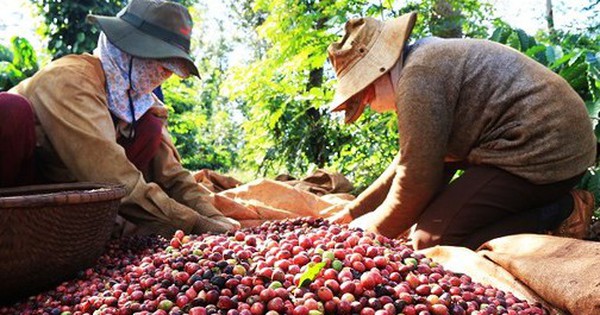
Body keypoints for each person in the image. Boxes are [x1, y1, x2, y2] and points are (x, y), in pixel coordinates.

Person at [327, 12, 596, 250]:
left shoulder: (418, 78)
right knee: (424, 223)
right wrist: (353, 213)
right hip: (529, 144)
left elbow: (415, 183)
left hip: (544, 151)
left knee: (433, 240)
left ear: (380, 70)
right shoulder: (420, 64)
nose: (369, 105)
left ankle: (560, 211)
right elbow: (409, 161)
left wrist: (367, 238)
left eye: (365, 95)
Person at [0, 0, 239, 236]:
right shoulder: (71, 80)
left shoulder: (138, 103)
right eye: (162, 61)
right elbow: (109, 175)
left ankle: (81, 229)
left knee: (150, 127)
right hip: (21, 189)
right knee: (10, 110)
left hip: (67, 201)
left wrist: (212, 216)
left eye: (172, 67)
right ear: (129, 48)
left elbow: (172, 175)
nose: (167, 74)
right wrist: (192, 224)